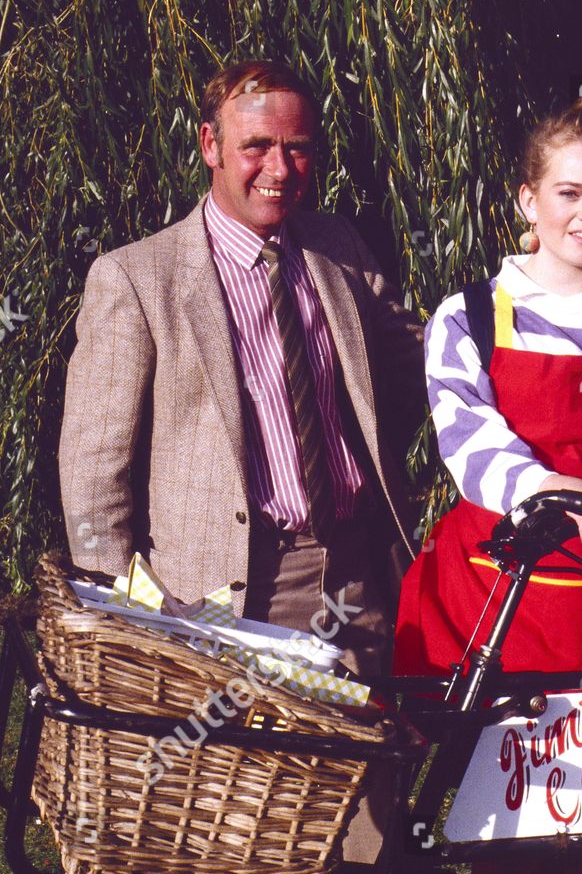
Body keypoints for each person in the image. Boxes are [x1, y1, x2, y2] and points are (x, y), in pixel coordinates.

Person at [59, 59, 425, 680]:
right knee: (240, 776)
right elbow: (93, 471)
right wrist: (135, 612)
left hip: (353, 575)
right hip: (225, 593)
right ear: (211, 145)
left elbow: (419, 364)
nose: (278, 170)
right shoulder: (140, 279)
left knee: (366, 771)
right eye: (256, 146)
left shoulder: (337, 247)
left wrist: (524, 297)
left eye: (297, 148)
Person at [393, 95, 582, 679]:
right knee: (457, 770)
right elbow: (469, 447)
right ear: (528, 201)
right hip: (477, 602)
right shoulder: (466, 317)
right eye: (569, 193)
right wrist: (551, 486)